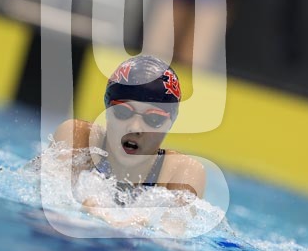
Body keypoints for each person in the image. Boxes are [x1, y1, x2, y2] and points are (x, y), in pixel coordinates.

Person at [52, 56, 206, 220]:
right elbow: (50, 203)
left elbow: (174, 232)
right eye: (123, 112)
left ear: (170, 123)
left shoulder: (180, 172)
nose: (135, 127)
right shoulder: (78, 138)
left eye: (153, 119)